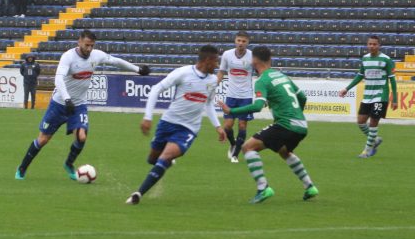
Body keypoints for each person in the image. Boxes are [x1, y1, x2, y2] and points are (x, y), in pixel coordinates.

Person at [15, 30, 150, 180]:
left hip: (78, 104)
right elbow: (58, 80)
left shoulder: (96, 55)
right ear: (79, 42)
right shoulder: (68, 57)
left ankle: (69, 164)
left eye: (92, 45)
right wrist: (67, 99)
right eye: (87, 45)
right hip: (60, 104)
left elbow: (115, 61)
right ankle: (22, 168)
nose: (89, 49)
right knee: (43, 139)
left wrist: (138, 69)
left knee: (81, 137)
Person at [125, 45, 225, 205]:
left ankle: (138, 194)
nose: (217, 65)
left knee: (165, 157)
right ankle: (164, 163)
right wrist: (147, 117)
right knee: (152, 159)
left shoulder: (212, 80)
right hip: (168, 123)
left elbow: (208, 103)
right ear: (207, 60)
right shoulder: (183, 73)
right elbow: (156, 89)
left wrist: (218, 126)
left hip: (188, 129)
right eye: (216, 61)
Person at [218, 46, 319, 204]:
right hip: (301, 125)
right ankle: (310, 186)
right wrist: (297, 113)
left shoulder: (262, 80)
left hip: (285, 124)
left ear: (254, 60)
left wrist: (232, 110)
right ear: (270, 59)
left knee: (247, 148)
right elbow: (303, 97)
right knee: (284, 151)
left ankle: (263, 188)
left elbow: (258, 106)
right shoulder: (281, 75)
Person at [339, 35, 398, 158]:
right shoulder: (365, 59)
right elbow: (360, 75)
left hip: (381, 96)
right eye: (370, 44)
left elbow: (392, 80)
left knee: (373, 122)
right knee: (360, 122)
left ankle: (367, 151)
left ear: (379, 45)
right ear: (367, 45)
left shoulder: (386, 60)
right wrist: (346, 88)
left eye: (374, 44)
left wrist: (395, 99)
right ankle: (375, 140)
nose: (372, 46)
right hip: (367, 96)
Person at [216, 31, 254, 163]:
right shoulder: (227, 54)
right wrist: (213, 86)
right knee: (227, 126)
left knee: (242, 125)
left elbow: (261, 72)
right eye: (239, 40)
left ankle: (235, 155)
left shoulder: (252, 56)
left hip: (246, 96)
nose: (241, 43)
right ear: (235, 41)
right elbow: (221, 72)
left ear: (247, 43)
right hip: (231, 95)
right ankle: (233, 144)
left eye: (244, 41)